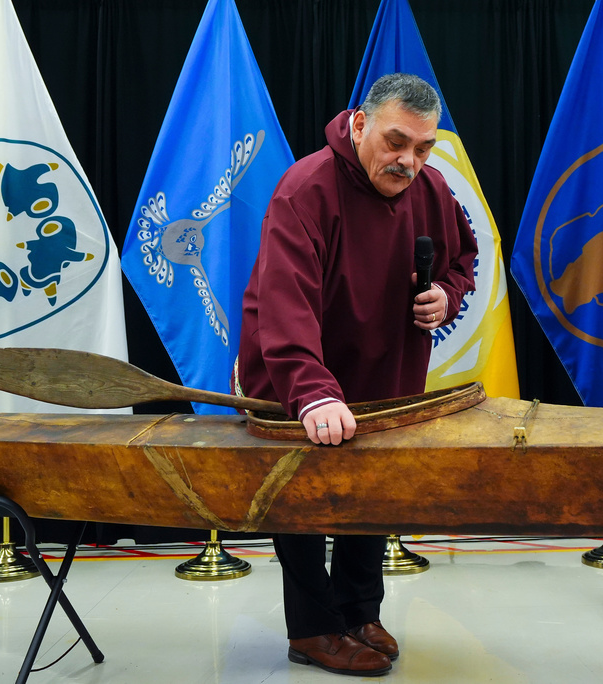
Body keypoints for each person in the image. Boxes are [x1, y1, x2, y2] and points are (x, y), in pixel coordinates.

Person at [235, 73, 477, 675]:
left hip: (383, 370)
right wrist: (312, 392)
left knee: (372, 493)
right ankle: (313, 629)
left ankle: (359, 612)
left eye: (423, 149)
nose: (409, 161)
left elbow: (462, 258)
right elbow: (284, 301)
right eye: (397, 142)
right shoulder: (306, 187)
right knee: (299, 498)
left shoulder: (433, 188)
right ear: (360, 123)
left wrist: (447, 294)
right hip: (293, 371)